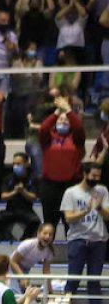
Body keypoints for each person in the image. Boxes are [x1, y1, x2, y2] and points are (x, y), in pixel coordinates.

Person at [60, 163, 109, 304]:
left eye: (98, 176)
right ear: (85, 174)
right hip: (78, 240)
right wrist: (85, 211)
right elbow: (68, 218)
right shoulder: (71, 192)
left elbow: (108, 215)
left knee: (94, 280)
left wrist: (99, 208)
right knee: (73, 278)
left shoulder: (102, 190)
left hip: (99, 240)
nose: (96, 179)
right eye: (93, 176)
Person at [39, 96, 85, 228]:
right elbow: (43, 128)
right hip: (49, 186)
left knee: (70, 224)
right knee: (49, 224)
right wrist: (56, 113)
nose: (63, 121)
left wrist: (69, 111)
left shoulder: (77, 140)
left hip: (70, 185)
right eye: (60, 119)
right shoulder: (48, 139)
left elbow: (79, 128)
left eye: (66, 120)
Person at [0, 152, 42, 241]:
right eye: (14, 164)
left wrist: (23, 191)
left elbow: (33, 197)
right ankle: (8, 237)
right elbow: (3, 196)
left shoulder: (32, 178)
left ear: (26, 164)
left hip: (26, 210)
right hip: (11, 210)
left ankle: (24, 239)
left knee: (35, 221)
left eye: (18, 164)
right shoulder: (8, 178)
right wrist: (15, 192)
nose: (15, 166)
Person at [10, 223, 56, 290]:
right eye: (45, 233)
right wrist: (22, 277)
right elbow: (13, 261)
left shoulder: (49, 252)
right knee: (16, 292)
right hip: (12, 266)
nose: (47, 237)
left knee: (25, 291)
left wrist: (50, 290)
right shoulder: (29, 244)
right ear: (38, 233)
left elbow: (46, 272)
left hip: (25, 269)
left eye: (50, 234)